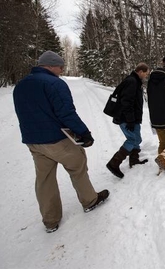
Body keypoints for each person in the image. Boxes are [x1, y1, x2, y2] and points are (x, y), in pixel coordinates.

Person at [13, 51, 109, 233]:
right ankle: (90, 200)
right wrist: (84, 133)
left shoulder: (21, 85)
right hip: (57, 139)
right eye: (59, 66)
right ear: (49, 66)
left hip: (33, 141)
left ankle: (50, 220)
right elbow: (66, 113)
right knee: (77, 166)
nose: (61, 69)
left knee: (44, 179)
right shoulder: (55, 83)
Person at [106, 63, 150, 179]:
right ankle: (114, 163)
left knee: (137, 139)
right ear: (140, 71)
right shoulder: (132, 81)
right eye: (146, 73)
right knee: (132, 139)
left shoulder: (134, 81)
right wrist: (130, 120)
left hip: (132, 117)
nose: (146, 76)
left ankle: (134, 160)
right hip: (126, 118)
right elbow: (126, 102)